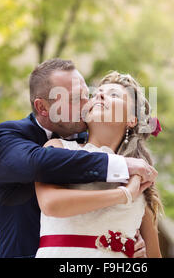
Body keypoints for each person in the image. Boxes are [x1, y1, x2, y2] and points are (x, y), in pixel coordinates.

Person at [0, 59, 158, 258]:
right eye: (76, 98)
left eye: (87, 95)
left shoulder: (131, 166)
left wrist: (128, 244)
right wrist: (123, 178)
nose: (89, 102)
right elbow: (42, 163)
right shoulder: (10, 136)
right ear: (42, 107)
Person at [35, 71, 163, 258]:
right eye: (95, 94)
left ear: (131, 120)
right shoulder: (58, 148)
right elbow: (51, 204)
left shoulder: (141, 179)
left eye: (114, 95)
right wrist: (123, 194)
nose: (99, 95)